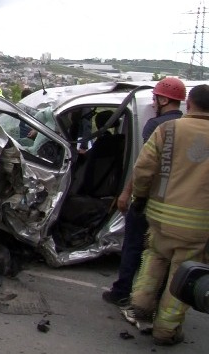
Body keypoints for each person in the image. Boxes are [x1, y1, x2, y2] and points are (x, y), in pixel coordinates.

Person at [124, 84, 209, 346]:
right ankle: (166, 330)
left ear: (190, 104)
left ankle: (139, 305)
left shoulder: (167, 129)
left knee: (154, 259)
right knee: (182, 275)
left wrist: (138, 198)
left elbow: (143, 169)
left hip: (159, 214)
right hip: (198, 223)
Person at [102, 77, 186, 307]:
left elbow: (143, 166)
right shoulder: (185, 127)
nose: (153, 102)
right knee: (161, 255)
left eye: (155, 98)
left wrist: (127, 194)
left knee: (133, 246)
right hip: (173, 203)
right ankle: (155, 297)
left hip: (147, 199)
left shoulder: (157, 126)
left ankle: (122, 291)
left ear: (164, 99)